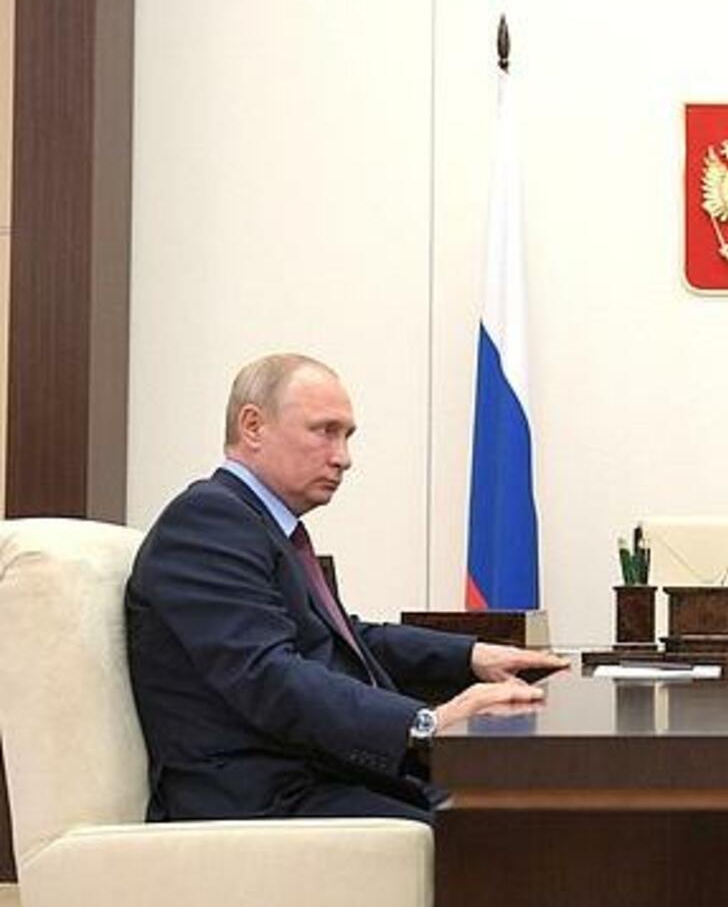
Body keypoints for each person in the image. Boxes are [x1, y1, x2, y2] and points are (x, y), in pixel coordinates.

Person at [126, 353, 565, 825]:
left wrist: (471, 656)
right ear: (252, 426)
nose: (343, 458)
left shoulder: (259, 524)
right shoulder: (207, 521)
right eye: (325, 431)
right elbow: (267, 675)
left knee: (534, 808)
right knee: (508, 831)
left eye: (347, 436)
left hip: (319, 778)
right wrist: (426, 722)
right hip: (260, 804)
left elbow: (343, 640)